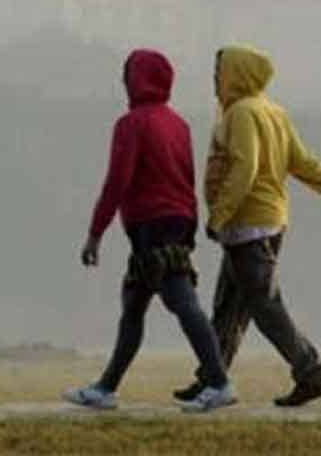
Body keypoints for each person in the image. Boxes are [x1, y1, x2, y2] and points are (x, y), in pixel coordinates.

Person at [172, 44, 321, 408]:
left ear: (237, 75)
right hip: (266, 222)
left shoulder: (242, 114)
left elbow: (244, 167)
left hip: (248, 224)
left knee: (264, 305)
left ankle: (311, 371)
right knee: (230, 306)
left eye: (220, 74)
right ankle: (211, 377)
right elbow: (303, 162)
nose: (215, 81)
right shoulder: (272, 112)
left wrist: (219, 216)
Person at [64, 49, 236, 413]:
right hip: (176, 221)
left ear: (137, 79)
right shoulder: (179, 124)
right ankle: (106, 387)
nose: (123, 81)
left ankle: (220, 382)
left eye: (127, 74)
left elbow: (117, 181)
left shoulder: (131, 125)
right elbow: (187, 178)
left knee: (182, 302)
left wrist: (95, 233)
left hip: (152, 227)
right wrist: (190, 223)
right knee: (133, 307)